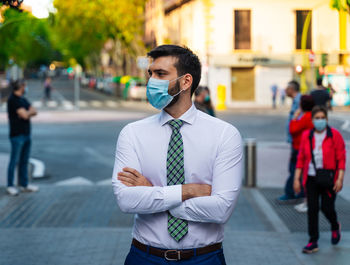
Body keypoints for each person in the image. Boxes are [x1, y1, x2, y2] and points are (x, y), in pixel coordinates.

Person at [112, 45, 242, 265]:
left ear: (186, 81)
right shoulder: (132, 134)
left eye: (161, 74)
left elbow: (221, 210)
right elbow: (126, 201)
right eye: (150, 73)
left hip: (204, 258)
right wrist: (188, 191)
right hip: (145, 256)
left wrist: (152, 193)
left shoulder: (224, 135)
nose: (151, 80)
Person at [294, 106, 345, 254]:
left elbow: (341, 158)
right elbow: (301, 158)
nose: (320, 121)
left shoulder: (334, 135)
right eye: (317, 118)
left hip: (329, 178)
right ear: (312, 120)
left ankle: (335, 226)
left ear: (327, 119)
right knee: (313, 209)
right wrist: (296, 178)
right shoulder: (307, 136)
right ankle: (313, 241)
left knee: (327, 208)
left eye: (323, 118)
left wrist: (340, 179)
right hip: (311, 177)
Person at [7, 80, 39, 196]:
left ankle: (24, 184)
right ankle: (10, 185)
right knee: (14, 161)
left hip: (26, 133)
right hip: (17, 135)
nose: (26, 88)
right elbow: (25, 115)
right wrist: (27, 113)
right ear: (21, 87)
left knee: (24, 161)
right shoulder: (13, 100)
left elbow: (34, 111)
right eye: (25, 86)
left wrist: (27, 113)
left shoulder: (23, 99)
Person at [289, 95, 315, 212]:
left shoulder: (306, 117)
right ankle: (305, 200)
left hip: (300, 148)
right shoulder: (309, 116)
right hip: (302, 148)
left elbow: (293, 130)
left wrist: (294, 117)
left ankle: (305, 201)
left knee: (300, 174)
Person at [278, 80, 301, 202]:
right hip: (295, 141)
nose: (285, 90)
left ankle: (292, 192)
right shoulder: (296, 101)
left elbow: (298, 123)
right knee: (295, 167)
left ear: (292, 89)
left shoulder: (299, 101)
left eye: (287, 88)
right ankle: (298, 192)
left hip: (297, 142)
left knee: (294, 167)